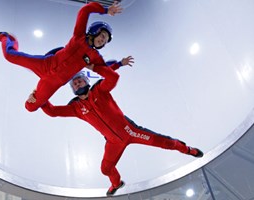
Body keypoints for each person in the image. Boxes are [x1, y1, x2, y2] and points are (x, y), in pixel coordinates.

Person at [27, 58, 204, 196]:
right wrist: (40, 98)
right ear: (72, 90)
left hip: (131, 131)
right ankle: (116, 184)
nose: (77, 83)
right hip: (113, 142)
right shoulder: (76, 108)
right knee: (105, 169)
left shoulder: (99, 90)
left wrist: (94, 67)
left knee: (167, 143)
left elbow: (113, 77)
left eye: (80, 81)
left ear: (86, 82)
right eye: (74, 84)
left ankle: (187, 149)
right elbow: (52, 112)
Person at [0, 1, 122, 112]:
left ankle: (38, 97)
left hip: (52, 83)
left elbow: (112, 75)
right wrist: (105, 10)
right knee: (8, 55)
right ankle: (5, 37)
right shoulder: (79, 35)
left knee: (30, 107)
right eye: (103, 36)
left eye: (105, 41)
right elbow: (85, 10)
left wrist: (38, 98)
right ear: (95, 31)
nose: (103, 40)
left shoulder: (95, 57)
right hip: (45, 64)